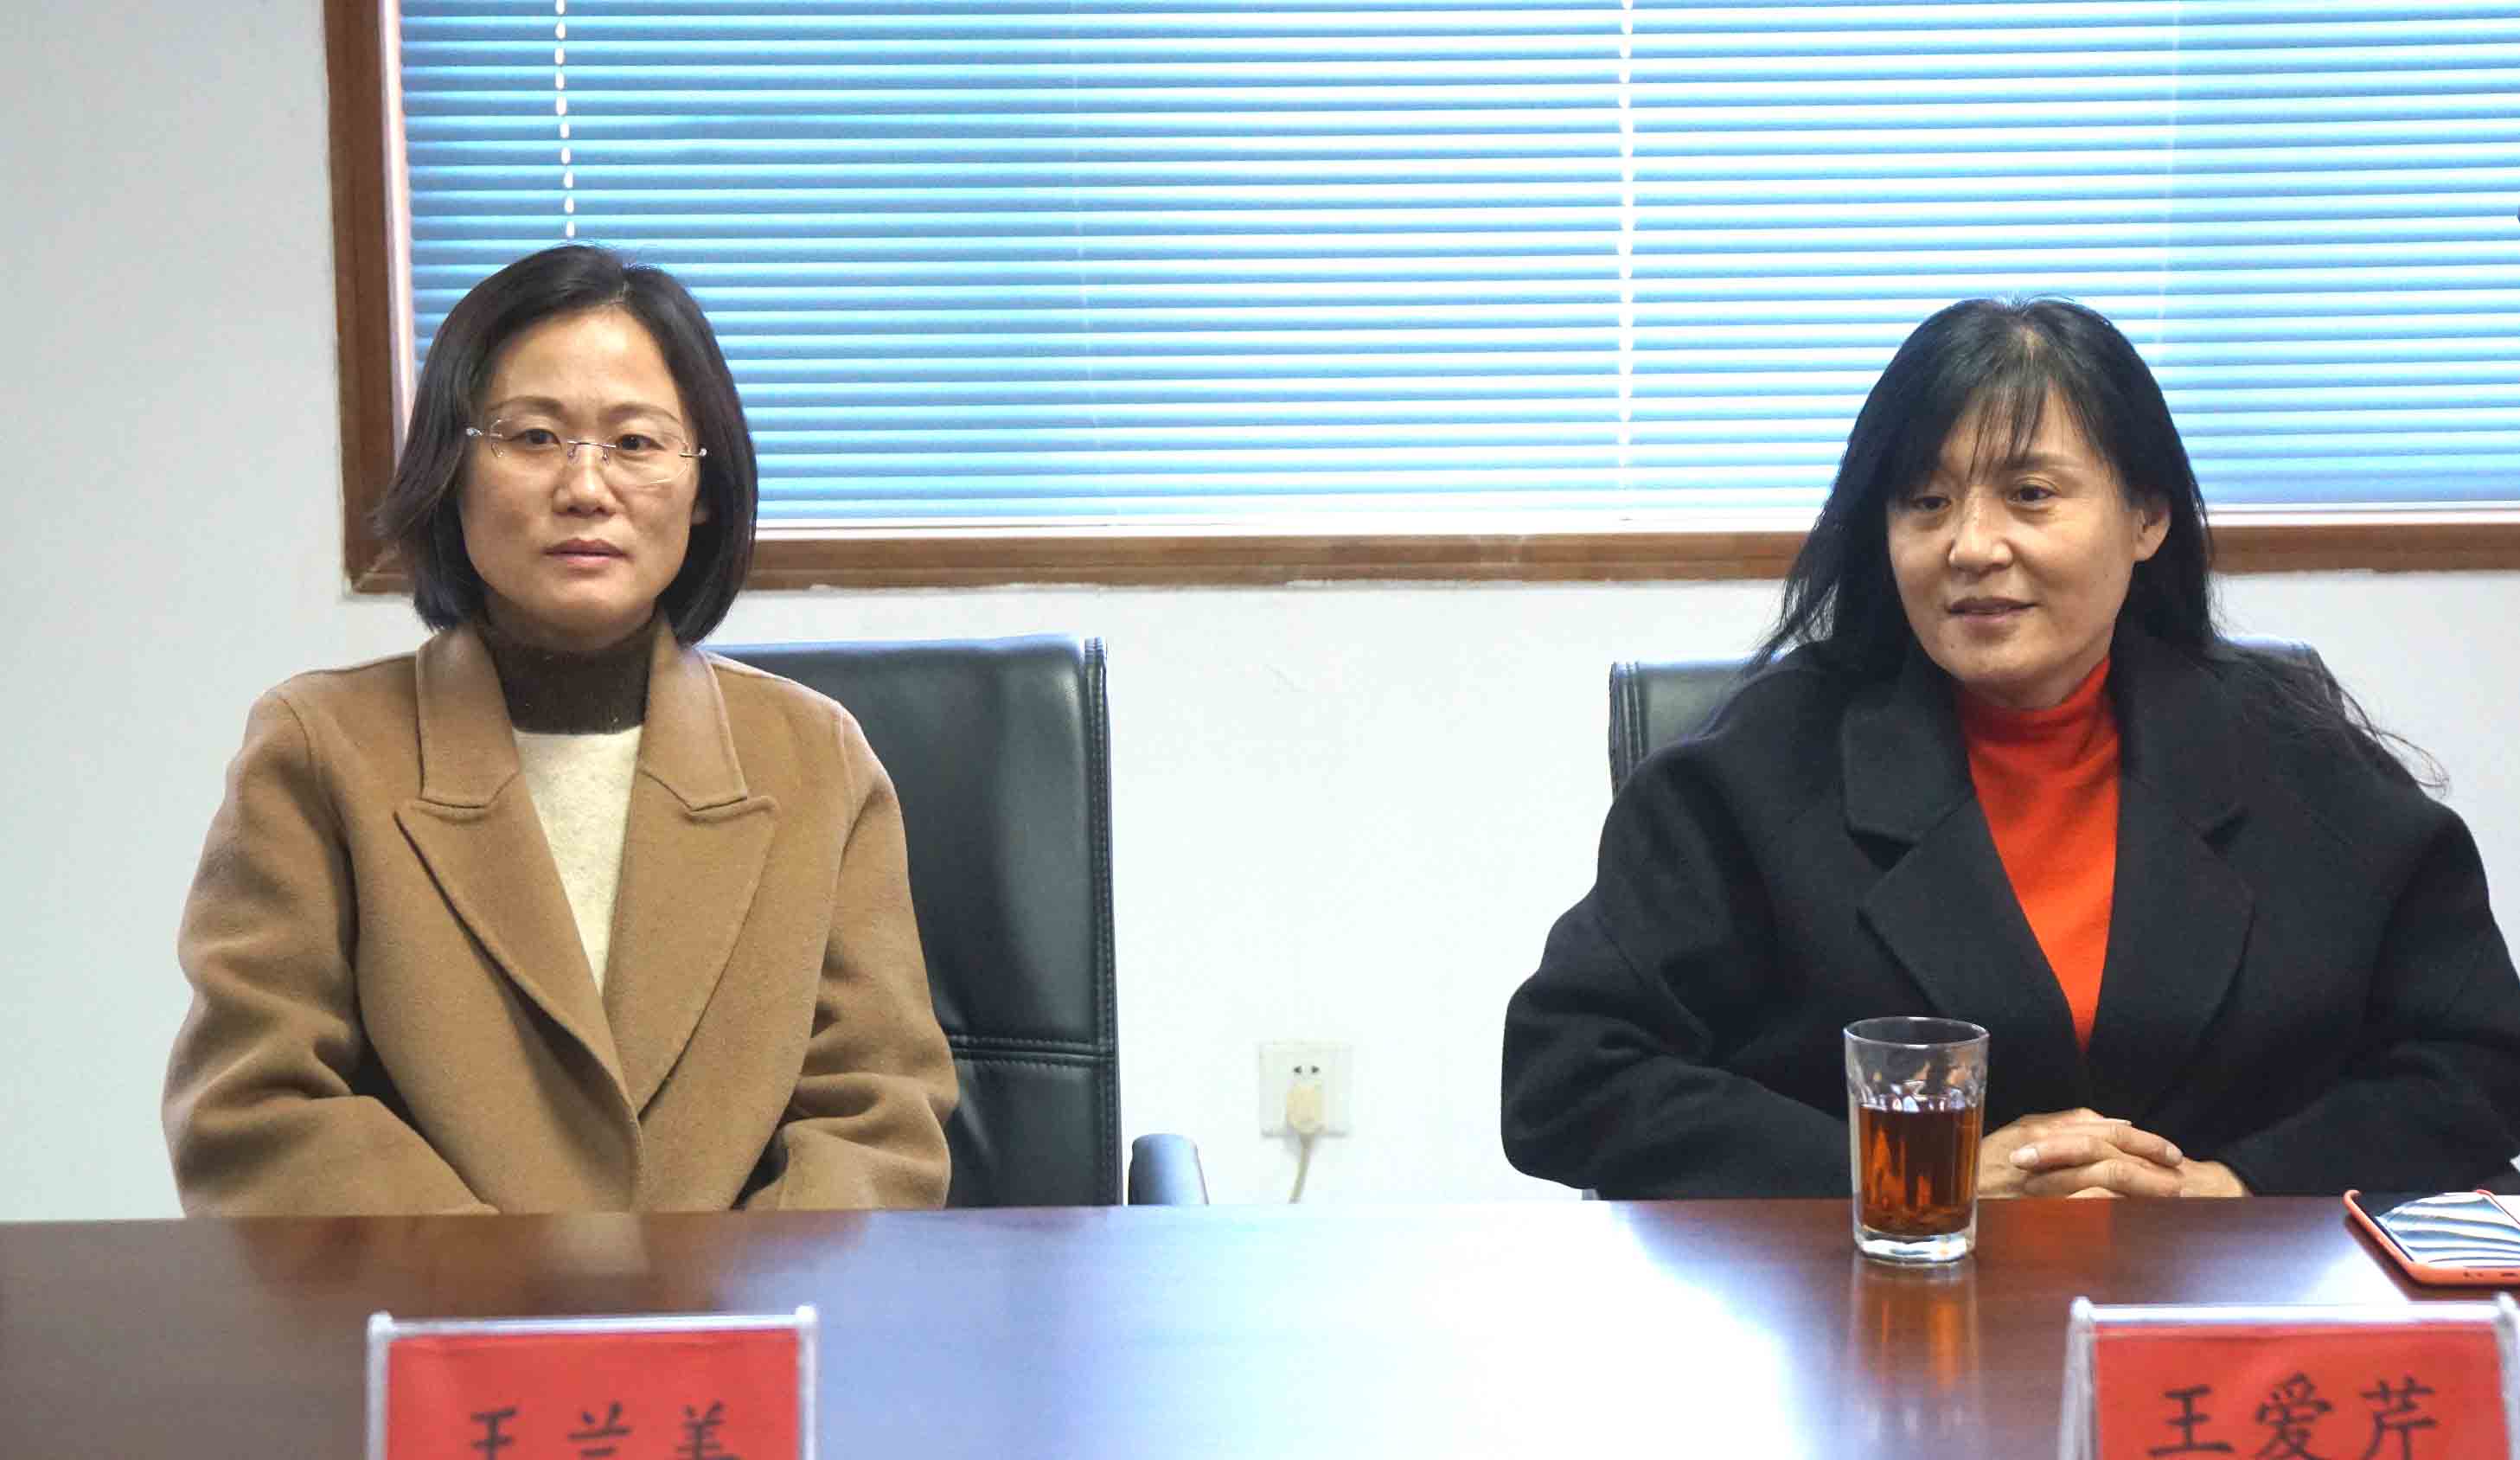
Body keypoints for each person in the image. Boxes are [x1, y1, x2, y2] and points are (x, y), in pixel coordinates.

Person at [1501, 298, 2520, 1201]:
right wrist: (1912, 1171)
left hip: (2221, 1313)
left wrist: (2231, 1186)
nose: (1971, 545)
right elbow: (1570, 1072)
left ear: (2146, 517)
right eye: (1926, 501)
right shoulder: (1754, 771)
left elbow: (2478, 1057)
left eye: (2029, 493)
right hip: (1867, 1307)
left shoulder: (2292, 755)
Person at [163, 245, 957, 1213]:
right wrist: (514, 1291)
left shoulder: (816, 761)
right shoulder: (319, 748)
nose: (586, 487)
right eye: (534, 436)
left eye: (636, 441)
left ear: (703, 488)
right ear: (454, 471)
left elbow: (877, 1116)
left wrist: (717, 1299)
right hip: (434, 1303)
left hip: (741, 1308)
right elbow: (258, 1107)